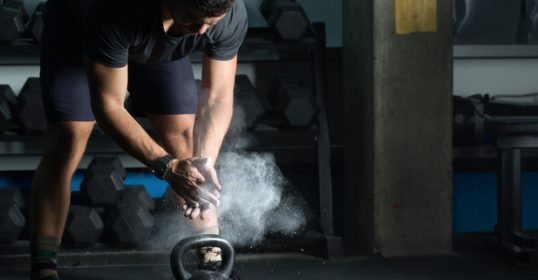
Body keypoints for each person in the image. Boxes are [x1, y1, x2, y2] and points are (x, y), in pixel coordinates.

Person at [28, 0, 248, 279]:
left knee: (184, 138)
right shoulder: (116, 10)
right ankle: (44, 267)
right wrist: (167, 167)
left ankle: (213, 262)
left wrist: (201, 163)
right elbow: (108, 107)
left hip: (153, 40)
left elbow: (217, 98)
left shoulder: (226, 15)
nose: (203, 30)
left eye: (211, 23)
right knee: (68, 139)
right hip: (81, 32)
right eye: (195, 20)